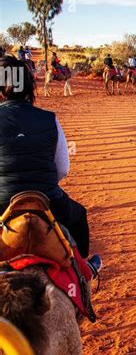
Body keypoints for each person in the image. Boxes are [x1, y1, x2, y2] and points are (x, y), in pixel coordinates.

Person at [0, 55, 101, 274]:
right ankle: (83, 270)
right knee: (78, 215)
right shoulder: (49, 119)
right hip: (47, 200)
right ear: (27, 85)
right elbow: (63, 168)